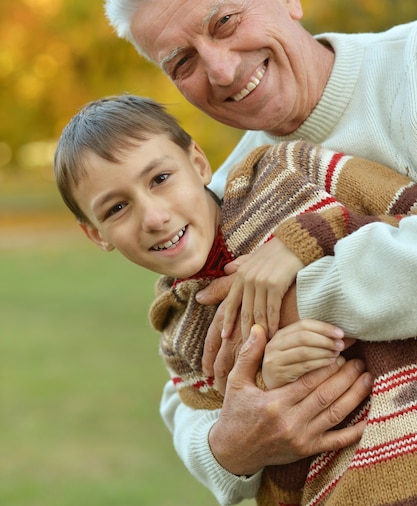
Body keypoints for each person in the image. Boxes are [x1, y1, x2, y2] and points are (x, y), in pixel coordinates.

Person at [103, 0, 417, 504]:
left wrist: (301, 293)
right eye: (183, 63)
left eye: (224, 22)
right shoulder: (221, 194)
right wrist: (230, 444)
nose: (220, 69)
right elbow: (185, 378)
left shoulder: (410, 66)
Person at [55, 93, 417, 505]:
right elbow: (244, 435)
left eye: (160, 179)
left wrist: (310, 238)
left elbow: (410, 213)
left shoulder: (290, 169)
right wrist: (271, 377)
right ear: (97, 234)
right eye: (118, 207)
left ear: (198, 163)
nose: (154, 218)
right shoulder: (179, 334)